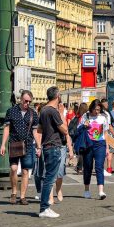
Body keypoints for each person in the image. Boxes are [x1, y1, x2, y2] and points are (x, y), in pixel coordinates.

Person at [0, 90, 40, 205]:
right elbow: (6, 128)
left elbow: (35, 131)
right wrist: (3, 144)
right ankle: (13, 193)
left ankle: (22, 196)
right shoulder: (11, 111)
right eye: (25, 101)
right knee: (13, 169)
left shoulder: (33, 113)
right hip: (14, 144)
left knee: (25, 171)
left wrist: (38, 146)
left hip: (27, 145)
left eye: (29, 101)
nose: (27, 103)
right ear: (20, 99)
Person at [38, 86, 68, 218]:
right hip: (54, 146)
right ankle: (44, 208)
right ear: (57, 96)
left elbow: (39, 129)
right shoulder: (53, 111)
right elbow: (65, 130)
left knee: (48, 177)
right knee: (50, 179)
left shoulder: (43, 110)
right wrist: (61, 113)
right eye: (60, 95)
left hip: (46, 146)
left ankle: (45, 207)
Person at [79, 99, 109, 200]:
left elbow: (105, 133)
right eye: (96, 109)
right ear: (91, 108)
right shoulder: (86, 116)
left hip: (100, 144)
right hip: (88, 144)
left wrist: (107, 147)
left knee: (99, 167)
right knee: (87, 167)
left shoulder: (103, 116)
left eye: (99, 109)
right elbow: (79, 129)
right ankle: (86, 190)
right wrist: (84, 125)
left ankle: (101, 191)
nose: (97, 112)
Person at [54, 102, 75, 203]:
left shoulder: (62, 116)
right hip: (51, 145)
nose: (59, 108)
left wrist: (70, 149)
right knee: (50, 171)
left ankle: (58, 189)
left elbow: (66, 133)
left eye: (60, 106)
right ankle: (49, 195)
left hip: (62, 146)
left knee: (60, 171)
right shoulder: (49, 113)